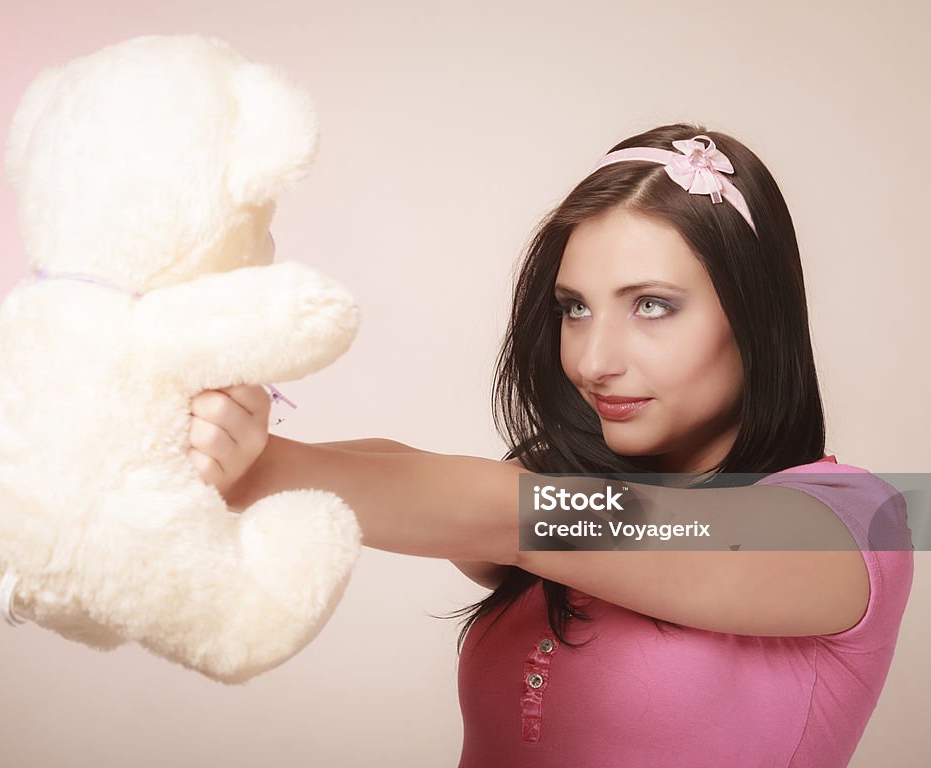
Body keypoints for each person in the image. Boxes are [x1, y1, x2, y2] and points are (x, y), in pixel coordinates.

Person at [184, 123, 914, 767]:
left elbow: (507, 514)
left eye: (652, 306)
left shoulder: (853, 526)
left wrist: (253, 468)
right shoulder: (565, 490)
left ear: (764, 320)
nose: (595, 360)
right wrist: (176, 444)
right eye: (575, 309)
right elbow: (412, 471)